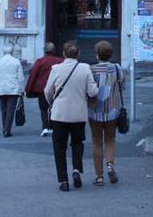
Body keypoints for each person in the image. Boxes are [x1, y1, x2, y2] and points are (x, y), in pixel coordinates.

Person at [44, 41, 98, 192]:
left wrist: (52, 103)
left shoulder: (56, 69)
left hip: (59, 114)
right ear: (78, 54)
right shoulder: (85, 68)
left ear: (64, 54)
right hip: (78, 114)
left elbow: (47, 90)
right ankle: (76, 169)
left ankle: (63, 180)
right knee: (77, 144)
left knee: (59, 147)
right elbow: (93, 92)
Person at [88, 41, 124, 186]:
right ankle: (110, 165)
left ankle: (99, 176)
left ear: (97, 55)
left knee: (96, 141)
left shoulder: (90, 70)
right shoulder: (117, 69)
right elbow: (123, 87)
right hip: (113, 110)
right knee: (110, 139)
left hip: (94, 111)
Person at [25, 42, 64, 136]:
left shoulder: (40, 61)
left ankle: (45, 127)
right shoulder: (60, 61)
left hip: (42, 89)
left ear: (44, 50)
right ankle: (53, 126)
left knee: (43, 108)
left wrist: (28, 89)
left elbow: (33, 75)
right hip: (56, 88)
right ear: (54, 50)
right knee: (55, 107)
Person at [0, 47, 25, 137]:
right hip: (13, 89)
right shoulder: (16, 61)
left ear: (3, 51)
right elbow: (21, 78)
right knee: (10, 110)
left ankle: (4, 127)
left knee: (3, 109)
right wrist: (22, 90)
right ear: (12, 52)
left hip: (1, 88)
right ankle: (7, 129)